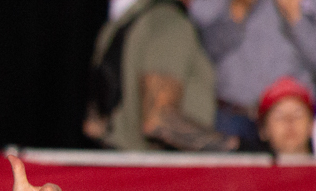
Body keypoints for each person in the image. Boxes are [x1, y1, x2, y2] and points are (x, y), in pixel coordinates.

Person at [84, 0, 238, 151]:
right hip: (157, 170)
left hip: (120, 163)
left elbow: (94, 125)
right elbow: (159, 122)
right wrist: (233, 147)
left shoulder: (121, 23)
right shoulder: (170, 23)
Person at [189, 0, 316, 146]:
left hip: (293, 119)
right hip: (235, 116)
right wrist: (238, 10)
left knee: (297, 169)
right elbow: (205, 50)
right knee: (231, 168)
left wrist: (296, 19)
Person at [257, 76, 316, 156]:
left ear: (311, 124)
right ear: (263, 129)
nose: (289, 121)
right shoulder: (243, 167)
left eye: (298, 114)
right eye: (279, 116)